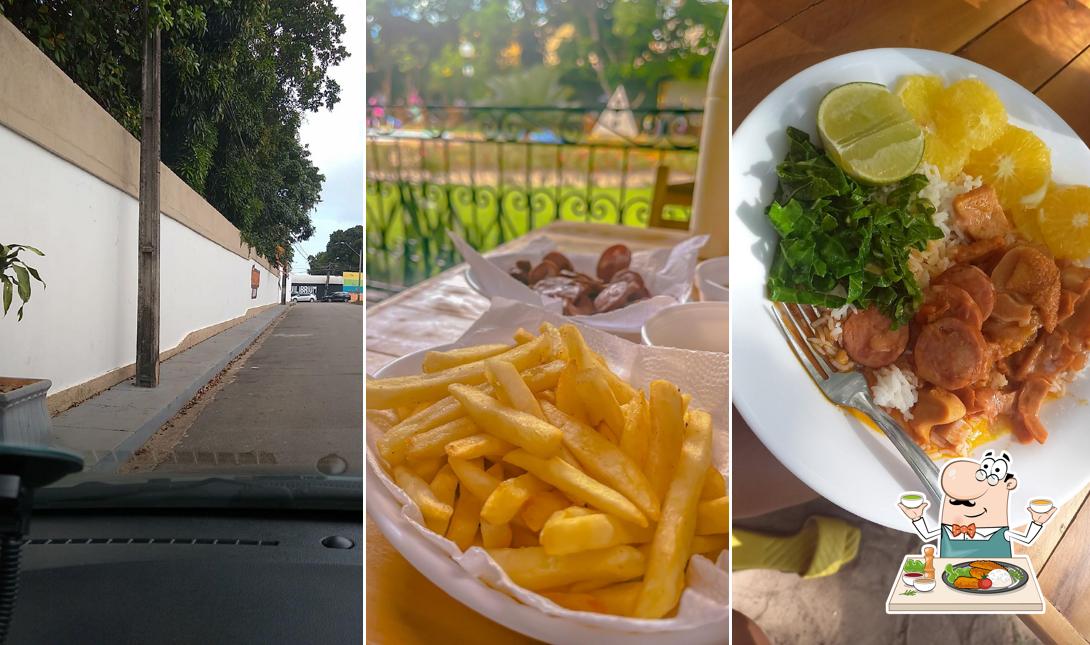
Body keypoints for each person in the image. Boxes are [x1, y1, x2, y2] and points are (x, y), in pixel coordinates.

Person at [897, 450, 1056, 558]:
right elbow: (927, 535)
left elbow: (1027, 540)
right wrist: (917, 517)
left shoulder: (998, 531)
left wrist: (1037, 522)